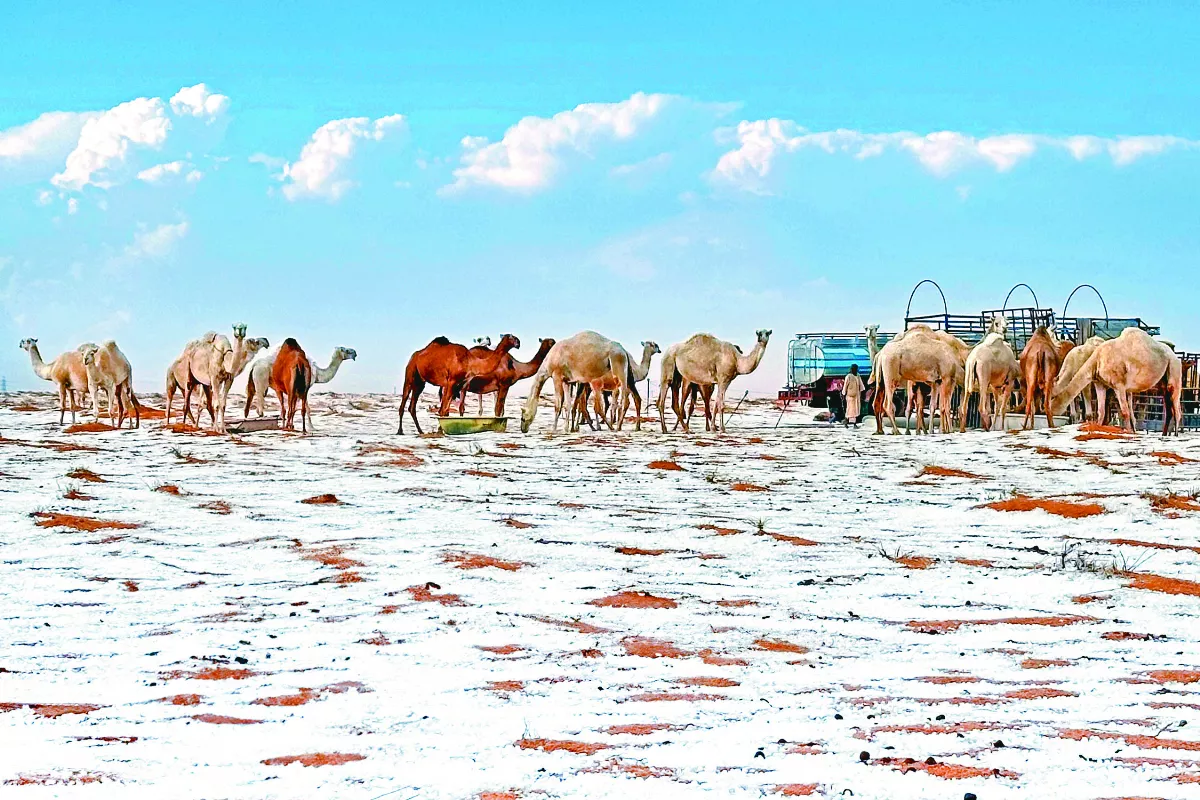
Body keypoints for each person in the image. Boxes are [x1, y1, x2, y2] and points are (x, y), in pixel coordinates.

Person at [842, 363, 866, 428]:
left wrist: (862, 393)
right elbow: (845, 386)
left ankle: (854, 424)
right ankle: (847, 422)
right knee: (850, 410)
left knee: (856, 410)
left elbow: (861, 385)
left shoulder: (858, 375)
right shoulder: (848, 376)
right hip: (850, 396)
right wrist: (843, 394)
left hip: (857, 396)